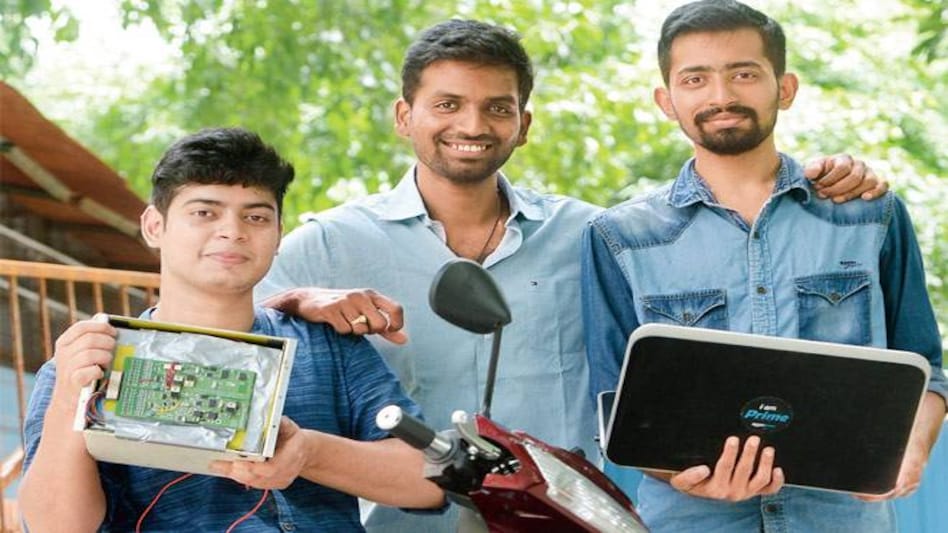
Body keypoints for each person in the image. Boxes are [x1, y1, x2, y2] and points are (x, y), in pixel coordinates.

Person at [254, 18, 889, 532]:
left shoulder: (595, 235)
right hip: (401, 523)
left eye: (496, 108)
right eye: (447, 104)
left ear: (523, 126)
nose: (472, 126)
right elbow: (231, 344)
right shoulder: (326, 245)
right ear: (403, 116)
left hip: (561, 522)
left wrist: (821, 176)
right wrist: (297, 299)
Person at [580, 1, 948, 532]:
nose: (721, 96)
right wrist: (681, 474)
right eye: (695, 79)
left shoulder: (871, 216)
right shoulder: (619, 238)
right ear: (667, 100)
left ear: (786, 87)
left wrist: (910, 451)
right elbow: (616, 409)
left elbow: (925, 370)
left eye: (744, 74)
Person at [18, 127, 443, 532]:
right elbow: (55, 527)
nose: (232, 232)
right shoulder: (85, 364)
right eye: (204, 212)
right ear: (154, 226)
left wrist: (309, 454)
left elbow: (429, 479)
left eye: (256, 217)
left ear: (279, 235)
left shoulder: (327, 346)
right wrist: (69, 402)